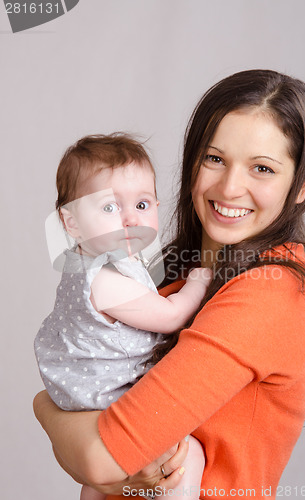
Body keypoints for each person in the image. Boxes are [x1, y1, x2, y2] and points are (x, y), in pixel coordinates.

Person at [34, 70, 305, 500]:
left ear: (301, 184)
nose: (230, 187)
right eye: (215, 158)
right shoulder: (173, 268)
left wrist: (43, 408)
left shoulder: (272, 292)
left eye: (262, 168)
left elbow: (100, 459)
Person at [34, 134, 209, 500]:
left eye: (143, 204)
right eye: (110, 208)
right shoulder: (105, 279)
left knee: (99, 485)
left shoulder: (104, 264)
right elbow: (171, 316)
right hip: (106, 396)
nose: (131, 219)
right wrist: (199, 279)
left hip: (92, 393)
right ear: (72, 223)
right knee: (187, 454)